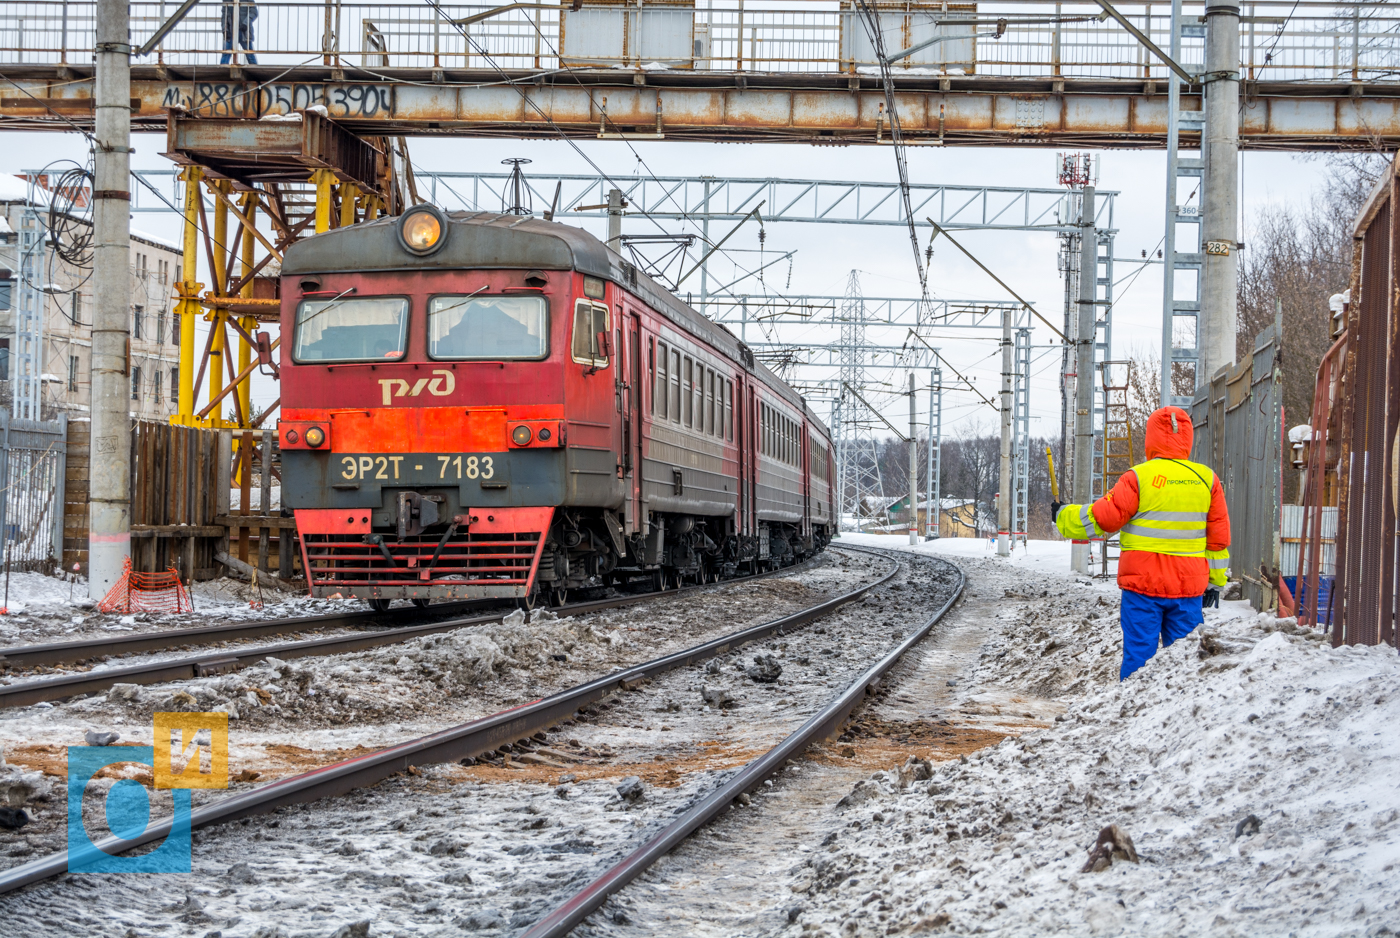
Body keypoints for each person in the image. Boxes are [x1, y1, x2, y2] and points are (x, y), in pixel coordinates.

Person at [1052, 406, 1230, 680]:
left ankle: (1132, 715)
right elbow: (1218, 541)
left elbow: (1102, 518)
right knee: (1184, 661)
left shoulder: (1138, 477)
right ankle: (1178, 714)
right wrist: (1214, 583)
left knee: (1139, 658)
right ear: (1188, 438)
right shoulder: (1207, 480)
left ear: (1151, 438)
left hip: (1143, 587)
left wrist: (1063, 515)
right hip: (1188, 588)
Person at [221, 0, 259, 66]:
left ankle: (256, 71)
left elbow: (254, 12)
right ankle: (222, 72)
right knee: (226, 53)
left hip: (243, 31)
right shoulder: (227, 1)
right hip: (230, 31)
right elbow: (224, 16)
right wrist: (225, 30)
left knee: (249, 53)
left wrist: (245, 23)